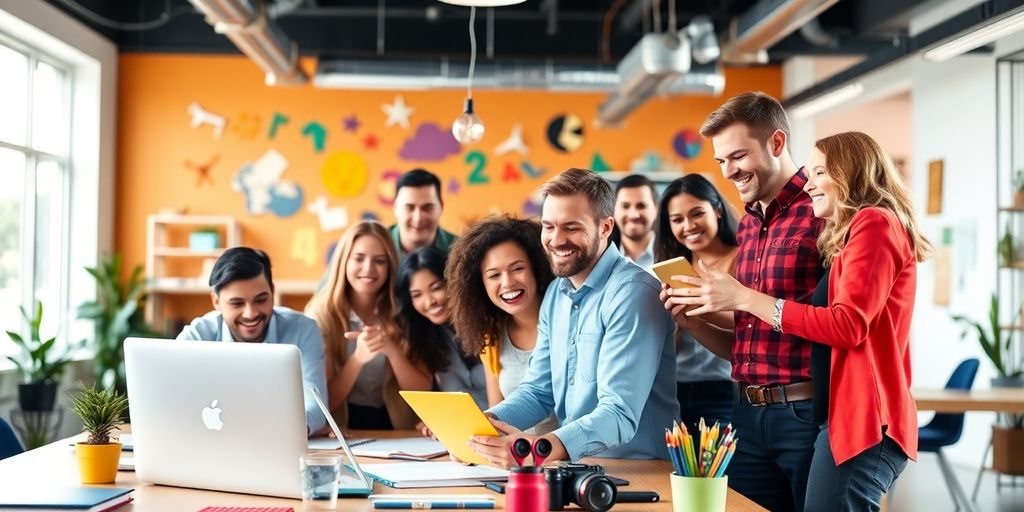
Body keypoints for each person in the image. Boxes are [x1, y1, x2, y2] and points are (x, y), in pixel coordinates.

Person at [671, 131, 928, 510]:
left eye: (820, 171)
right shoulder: (853, 233)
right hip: (842, 414)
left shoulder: (875, 222)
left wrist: (745, 297)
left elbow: (847, 326)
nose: (808, 183)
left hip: (866, 417)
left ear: (851, 174)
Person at [661, 92, 825, 512]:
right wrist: (693, 322)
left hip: (805, 412)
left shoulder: (824, 211)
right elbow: (746, 336)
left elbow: (836, 321)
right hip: (745, 414)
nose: (729, 171)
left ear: (775, 143)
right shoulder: (751, 222)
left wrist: (741, 296)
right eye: (721, 162)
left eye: (738, 156)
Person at [469, 169, 678, 467]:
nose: (556, 240)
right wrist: (482, 427)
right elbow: (538, 391)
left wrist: (538, 448)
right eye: (548, 226)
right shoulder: (556, 293)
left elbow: (619, 411)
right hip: (577, 466)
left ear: (605, 227)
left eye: (571, 227)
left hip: (641, 468)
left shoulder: (634, 293)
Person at [177, 247, 327, 433]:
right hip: (207, 441)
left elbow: (317, 407)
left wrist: (284, 430)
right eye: (237, 303)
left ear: (272, 292)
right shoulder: (197, 336)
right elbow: (170, 399)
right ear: (216, 301)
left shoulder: (303, 330)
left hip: (275, 444)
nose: (251, 313)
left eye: (261, 300)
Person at [305, 220, 432, 430]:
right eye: (359, 259)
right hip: (341, 425)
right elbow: (322, 402)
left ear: (390, 265)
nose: (368, 269)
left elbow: (423, 392)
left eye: (379, 261)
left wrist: (392, 351)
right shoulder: (320, 315)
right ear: (344, 261)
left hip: (397, 424)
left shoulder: (405, 310)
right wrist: (357, 359)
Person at [445, 215, 559, 434]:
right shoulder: (492, 338)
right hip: (520, 460)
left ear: (537, 268)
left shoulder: (567, 323)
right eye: (494, 275)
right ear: (481, 285)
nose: (507, 283)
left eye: (517, 269)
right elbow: (497, 419)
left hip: (569, 459)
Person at [653, 174, 738, 432]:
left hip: (725, 389)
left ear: (718, 211)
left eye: (697, 214)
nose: (688, 226)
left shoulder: (744, 258)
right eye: (677, 220)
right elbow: (673, 342)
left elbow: (750, 326)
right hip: (674, 390)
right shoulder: (675, 269)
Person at [395, 246, 488, 409]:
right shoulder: (432, 339)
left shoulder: (488, 324)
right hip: (471, 431)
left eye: (436, 288)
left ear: (453, 282)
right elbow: (456, 402)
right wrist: (439, 420)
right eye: (417, 295)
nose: (429, 301)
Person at [391, 168, 458, 261]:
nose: (418, 218)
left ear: (441, 207)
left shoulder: (461, 251)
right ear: (395, 207)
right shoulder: (376, 246)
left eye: (428, 207)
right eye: (409, 207)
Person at [613, 174, 659, 271]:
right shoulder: (598, 257)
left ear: (656, 209)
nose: (633, 215)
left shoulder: (675, 255)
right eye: (625, 206)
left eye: (641, 206)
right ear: (613, 210)